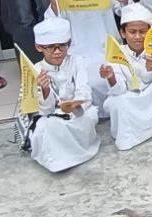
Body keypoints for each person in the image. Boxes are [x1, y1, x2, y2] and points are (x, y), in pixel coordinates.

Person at [44, 0, 130, 109]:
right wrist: (54, 4)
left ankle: (115, 110)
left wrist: (124, 0)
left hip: (109, 50)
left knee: (118, 78)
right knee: (87, 82)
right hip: (80, 54)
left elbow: (125, 12)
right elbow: (53, 26)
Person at [102, 4, 152, 150]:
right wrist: (111, 76)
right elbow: (118, 90)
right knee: (118, 101)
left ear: (149, 32)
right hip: (129, 97)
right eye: (132, 32)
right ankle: (128, 136)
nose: (138, 37)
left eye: (143, 32)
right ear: (123, 33)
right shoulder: (116, 53)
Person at [28, 17, 100, 172]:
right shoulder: (37, 69)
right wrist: (45, 90)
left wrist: (74, 105)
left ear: (69, 44)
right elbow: (45, 110)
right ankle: (57, 161)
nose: (57, 52)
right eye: (51, 47)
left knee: (86, 118)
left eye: (62, 46)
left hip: (77, 111)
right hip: (52, 115)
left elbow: (84, 91)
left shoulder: (77, 62)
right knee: (47, 126)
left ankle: (76, 154)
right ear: (39, 47)